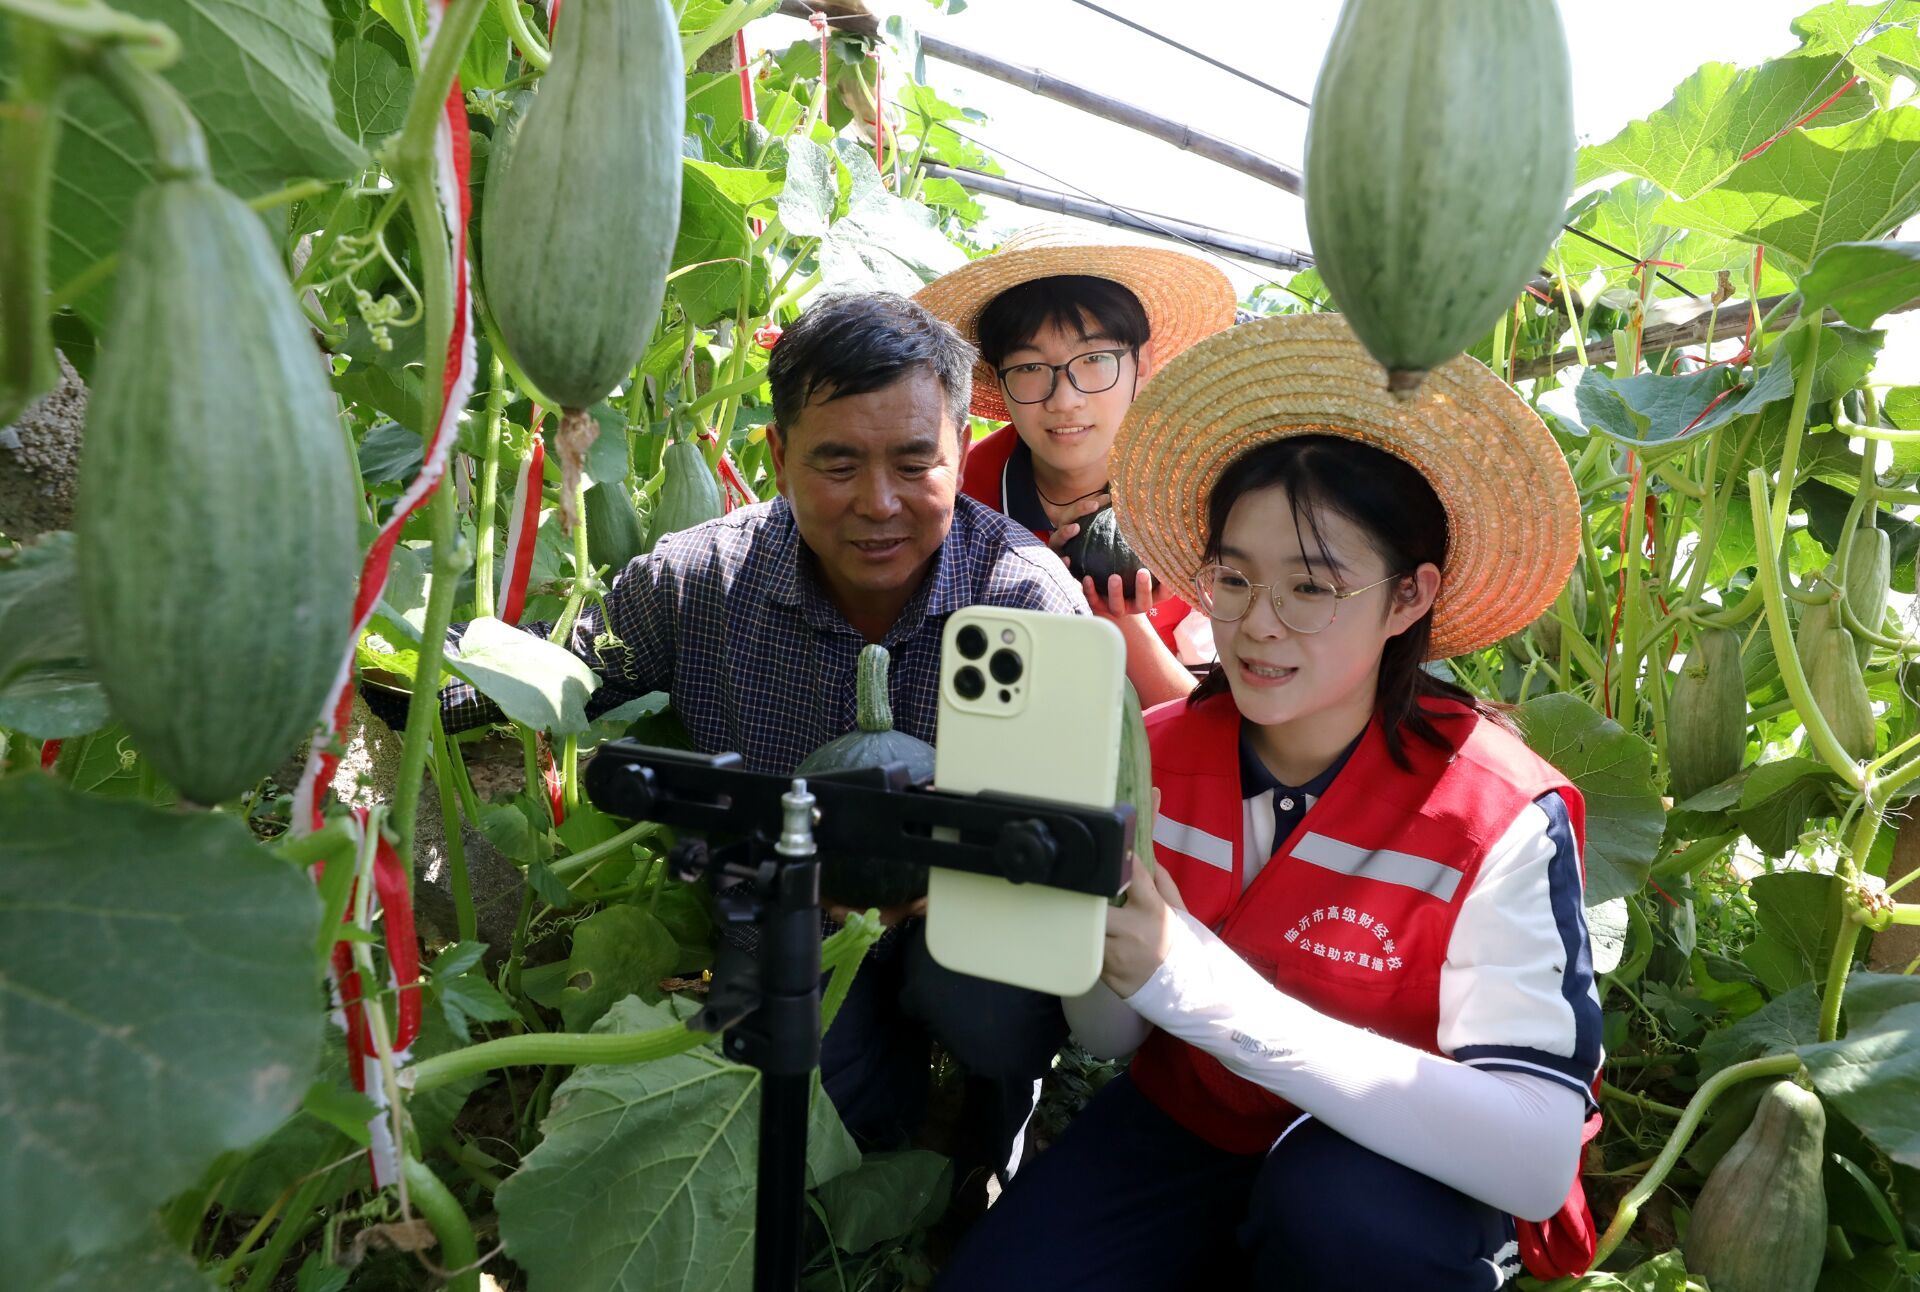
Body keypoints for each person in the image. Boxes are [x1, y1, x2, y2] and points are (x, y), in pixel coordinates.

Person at [936, 314, 1603, 1291]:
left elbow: (1536, 1158)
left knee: (1342, 1217)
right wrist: (1085, 922)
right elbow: (1111, 1036)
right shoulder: (1156, 753)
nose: (1257, 624)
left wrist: (1203, 987)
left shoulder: (1496, 811)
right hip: (1192, 1122)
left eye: (1313, 585)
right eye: (1235, 577)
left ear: (1410, 598)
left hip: (1395, 1169)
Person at [387, 292, 1087, 1195]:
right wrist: (370, 682)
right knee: (831, 1122)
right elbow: (553, 672)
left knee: (990, 1015)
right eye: (837, 463)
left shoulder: (1026, 604)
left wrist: (957, 878)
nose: (879, 504)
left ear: (958, 452)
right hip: (782, 916)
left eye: (917, 463)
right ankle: (890, 1108)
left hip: (965, 922)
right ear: (780, 456)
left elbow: (1068, 837)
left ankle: (996, 1121)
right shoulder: (701, 580)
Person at [915, 226, 1236, 705]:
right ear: (998, 379)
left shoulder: (1206, 499)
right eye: (1028, 368)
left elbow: (1212, 734)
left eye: (1095, 360)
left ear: (1142, 363)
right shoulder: (962, 494)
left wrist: (1116, 620)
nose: (1064, 399)